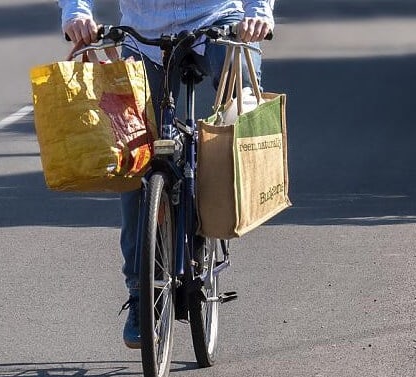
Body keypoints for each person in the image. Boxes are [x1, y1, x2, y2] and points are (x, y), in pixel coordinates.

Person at [58, 0, 275, 349]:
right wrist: (76, 14)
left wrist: (258, 13)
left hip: (217, 20)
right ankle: (141, 292)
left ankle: (217, 205)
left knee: (242, 104)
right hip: (143, 35)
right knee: (136, 158)